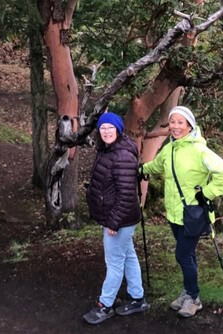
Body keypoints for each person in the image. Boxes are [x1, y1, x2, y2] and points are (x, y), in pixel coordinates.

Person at [140, 106, 223, 318]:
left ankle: (194, 298)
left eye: (181, 123)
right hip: (174, 214)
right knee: (187, 255)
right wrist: (141, 170)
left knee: (182, 255)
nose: (175, 126)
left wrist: (206, 193)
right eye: (173, 122)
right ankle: (188, 292)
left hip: (193, 215)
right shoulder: (170, 149)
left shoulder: (200, 150)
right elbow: (157, 166)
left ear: (190, 125)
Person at [83, 112, 150, 325]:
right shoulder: (107, 149)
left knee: (114, 262)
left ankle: (105, 305)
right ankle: (138, 298)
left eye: (111, 128)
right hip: (118, 218)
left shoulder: (121, 156)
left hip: (119, 219)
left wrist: (113, 222)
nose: (106, 131)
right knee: (128, 255)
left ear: (118, 130)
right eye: (103, 128)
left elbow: (127, 195)